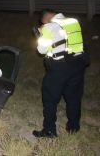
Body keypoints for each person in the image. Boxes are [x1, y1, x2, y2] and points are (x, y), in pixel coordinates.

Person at [33, 9, 87, 138]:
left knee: (50, 99)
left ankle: (49, 130)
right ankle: (73, 128)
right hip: (78, 64)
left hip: (59, 67)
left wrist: (41, 34)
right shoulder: (74, 22)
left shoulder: (48, 27)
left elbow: (41, 50)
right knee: (74, 98)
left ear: (46, 19)